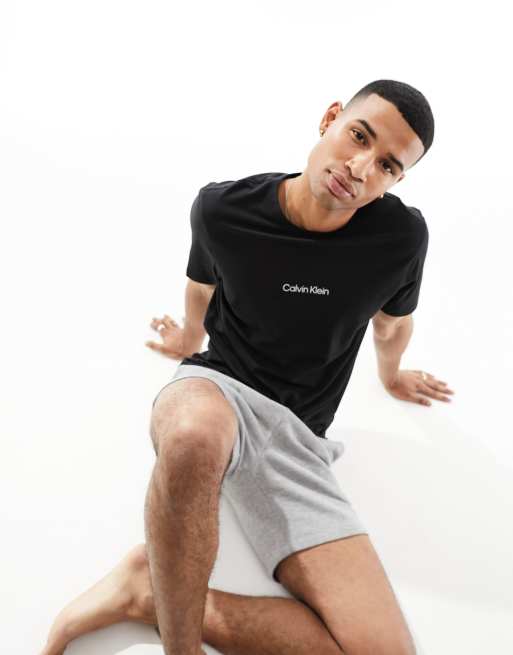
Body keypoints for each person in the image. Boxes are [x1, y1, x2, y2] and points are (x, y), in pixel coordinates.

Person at [40, 79, 454, 655]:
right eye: (359, 136)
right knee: (192, 435)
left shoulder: (400, 239)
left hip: (300, 439)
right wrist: (188, 337)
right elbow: (200, 287)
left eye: (387, 165)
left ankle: (145, 589)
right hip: (219, 389)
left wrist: (392, 375)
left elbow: (392, 323)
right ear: (330, 118)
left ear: (396, 181)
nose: (361, 168)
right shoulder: (223, 210)